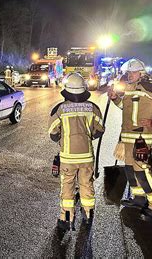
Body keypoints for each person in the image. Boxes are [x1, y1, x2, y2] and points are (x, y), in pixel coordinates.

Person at [108, 58, 152, 221]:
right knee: (130, 169)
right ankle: (139, 198)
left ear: (141, 73)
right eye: (128, 72)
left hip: (142, 138)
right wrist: (115, 98)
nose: (129, 75)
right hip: (128, 137)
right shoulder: (130, 88)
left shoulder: (149, 87)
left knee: (142, 171)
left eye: (132, 72)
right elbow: (125, 107)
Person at [48, 73, 105, 230]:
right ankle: (87, 215)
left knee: (67, 187)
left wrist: (63, 138)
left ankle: (67, 219)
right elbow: (100, 129)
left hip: (68, 157)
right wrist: (87, 137)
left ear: (66, 90)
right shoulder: (93, 108)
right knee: (86, 184)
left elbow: (52, 133)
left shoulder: (60, 109)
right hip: (87, 156)